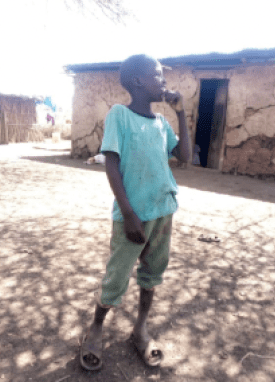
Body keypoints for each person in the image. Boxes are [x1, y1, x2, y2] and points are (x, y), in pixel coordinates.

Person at [80, 54, 190, 371]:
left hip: (163, 212)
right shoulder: (120, 115)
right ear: (139, 81)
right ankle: (97, 328)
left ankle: (140, 329)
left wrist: (181, 114)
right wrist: (128, 213)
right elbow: (111, 163)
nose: (164, 81)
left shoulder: (162, 123)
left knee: (152, 274)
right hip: (133, 216)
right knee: (116, 277)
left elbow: (184, 158)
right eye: (158, 75)